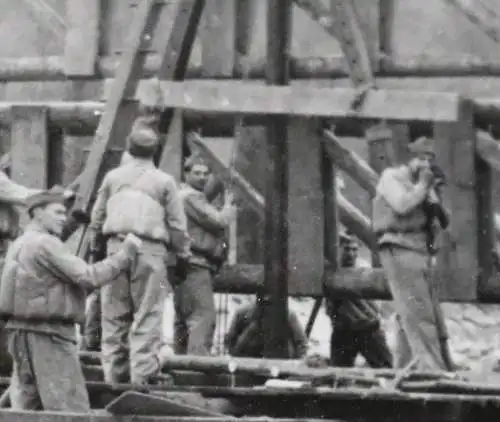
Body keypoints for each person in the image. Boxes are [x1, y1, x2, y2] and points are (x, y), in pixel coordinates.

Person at [0, 186, 141, 412]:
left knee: (26, 409)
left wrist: (74, 223)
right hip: (50, 336)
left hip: (20, 335)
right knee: (71, 409)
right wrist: (126, 253)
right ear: (37, 212)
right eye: (57, 212)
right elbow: (89, 276)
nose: (63, 217)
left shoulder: (21, 242)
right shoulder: (46, 244)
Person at [89, 127, 191, 385]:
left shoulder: (113, 177)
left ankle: (114, 381)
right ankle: (142, 382)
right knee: (148, 316)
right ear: (155, 150)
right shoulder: (164, 181)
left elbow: (97, 218)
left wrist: (96, 251)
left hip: (116, 247)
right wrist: (183, 256)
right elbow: (178, 226)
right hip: (151, 252)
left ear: (128, 147)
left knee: (113, 319)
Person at [373, 136, 450, 371]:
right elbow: (402, 205)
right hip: (399, 247)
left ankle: (409, 367)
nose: (426, 164)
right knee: (419, 314)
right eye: (421, 158)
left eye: (430, 159)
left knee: (425, 314)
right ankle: (431, 369)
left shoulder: (426, 186)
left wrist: (435, 197)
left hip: (420, 251)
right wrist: (422, 186)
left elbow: (443, 222)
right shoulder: (391, 177)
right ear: (410, 159)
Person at [173, 156, 236, 356]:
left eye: (205, 174)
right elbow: (219, 221)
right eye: (197, 173)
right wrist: (230, 206)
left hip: (184, 264)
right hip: (196, 264)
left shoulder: (181, 195)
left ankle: (181, 365)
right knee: (203, 318)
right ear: (186, 173)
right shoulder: (190, 196)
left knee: (184, 319)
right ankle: (196, 371)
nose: (202, 178)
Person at [81, 151, 133, 352]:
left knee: (109, 300)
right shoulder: (115, 186)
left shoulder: (115, 184)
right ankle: (92, 342)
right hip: (110, 248)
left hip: (113, 246)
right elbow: (97, 221)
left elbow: (97, 219)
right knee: (103, 298)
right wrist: (95, 248)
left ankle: (96, 343)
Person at [326, 233, 392, 368]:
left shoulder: (364, 269)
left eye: (355, 249)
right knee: (338, 374)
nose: (351, 254)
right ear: (338, 249)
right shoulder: (331, 269)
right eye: (347, 249)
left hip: (368, 328)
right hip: (342, 331)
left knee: (386, 369)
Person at [225, 299, 308, 359]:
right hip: (248, 361)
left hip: (280, 363)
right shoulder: (242, 314)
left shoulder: (287, 315)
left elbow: (302, 345)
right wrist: (250, 331)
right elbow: (231, 347)